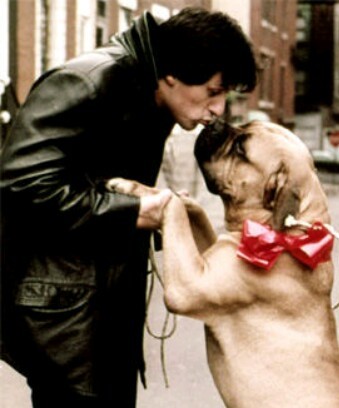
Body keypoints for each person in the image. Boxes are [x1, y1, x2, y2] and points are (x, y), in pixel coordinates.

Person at [0, 6, 257, 407]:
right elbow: (20, 185)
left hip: (104, 312)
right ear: (173, 72)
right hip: (63, 318)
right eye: (214, 91)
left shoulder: (150, 93)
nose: (218, 110)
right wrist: (136, 212)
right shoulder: (87, 82)